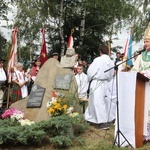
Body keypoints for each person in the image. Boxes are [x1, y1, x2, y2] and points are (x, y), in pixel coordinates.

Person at [84, 45, 114, 130]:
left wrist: (89, 79)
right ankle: (92, 119)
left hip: (97, 81)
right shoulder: (111, 61)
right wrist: (107, 79)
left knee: (97, 101)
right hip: (105, 82)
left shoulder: (98, 60)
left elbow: (90, 71)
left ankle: (103, 122)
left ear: (100, 51)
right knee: (95, 101)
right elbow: (111, 74)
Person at [132, 25, 150, 142]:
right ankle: (144, 133)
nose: (145, 43)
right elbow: (135, 68)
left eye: (147, 41)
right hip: (142, 87)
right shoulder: (141, 55)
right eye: (144, 41)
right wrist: (132, 72)